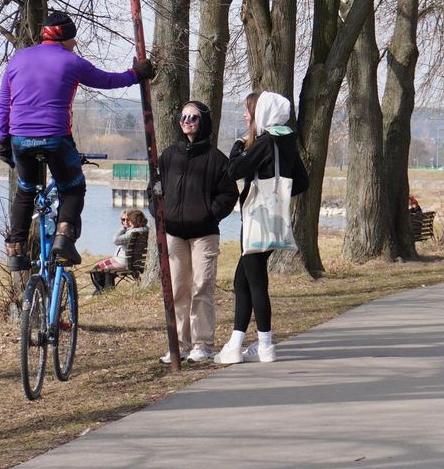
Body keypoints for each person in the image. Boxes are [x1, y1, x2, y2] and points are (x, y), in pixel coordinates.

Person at [0, 11, 154, 270]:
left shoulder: (18, 59)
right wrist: (136, 74)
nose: (75, 43)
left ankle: (16, 252)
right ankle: (64, 239)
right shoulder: (72, 62)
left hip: (20, 139)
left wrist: (4, 140)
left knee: (25, 190)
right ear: (64, 39)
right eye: (73, 39)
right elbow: (108, 80)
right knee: (72, 187)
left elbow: (3, 104)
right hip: (55, 138)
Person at [215, 92, 309, 365]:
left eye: (249, 111)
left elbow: (233, 170)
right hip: (275, 220)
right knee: (241, 281)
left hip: (257, 220)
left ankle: (265, 343)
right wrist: (279, 193)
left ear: (262, 113)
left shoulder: (266, 141)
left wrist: (237, 144)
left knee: (255, 281)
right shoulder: (286, 140)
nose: (245, 116)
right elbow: (302, 182)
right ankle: (236, 343)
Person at [157, 100, 239, 364]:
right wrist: (159, 213)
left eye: (192, 117)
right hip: (174, 234)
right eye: (183, 116)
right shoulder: (169, 156)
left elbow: (229, 194)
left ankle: (202, 343)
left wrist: (208, 214)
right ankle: (180, 344)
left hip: (204, 234)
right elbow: (154, 188)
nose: (187, 121)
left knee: (202, 286)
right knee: (179, 288)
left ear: (202, 121)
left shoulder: (216, 159)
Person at [91, 209, 148, 293]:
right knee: (105, 271)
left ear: (134, 221)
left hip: (123, 261)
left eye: (128, 220)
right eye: (123, 220)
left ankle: (101, 292)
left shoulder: (131, 233)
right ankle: (103, 291)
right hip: (134, 261)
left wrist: (122, 229)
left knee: (96, 269)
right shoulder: (145, 230)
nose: (126, 222)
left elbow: (115, 240)